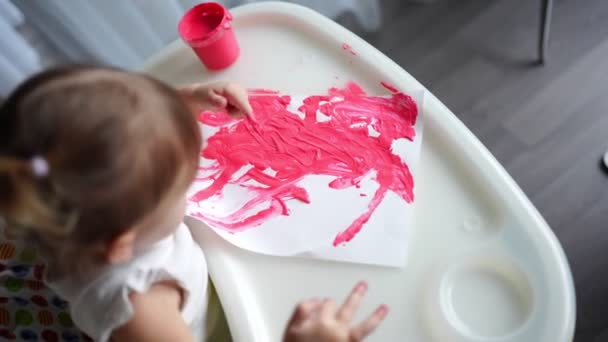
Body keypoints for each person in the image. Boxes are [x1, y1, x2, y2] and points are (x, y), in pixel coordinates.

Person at [0, 66, 387, 341]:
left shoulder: (47, 196)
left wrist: (176, 106)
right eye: (184, 184)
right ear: (123, 243)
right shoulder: (142, 309)